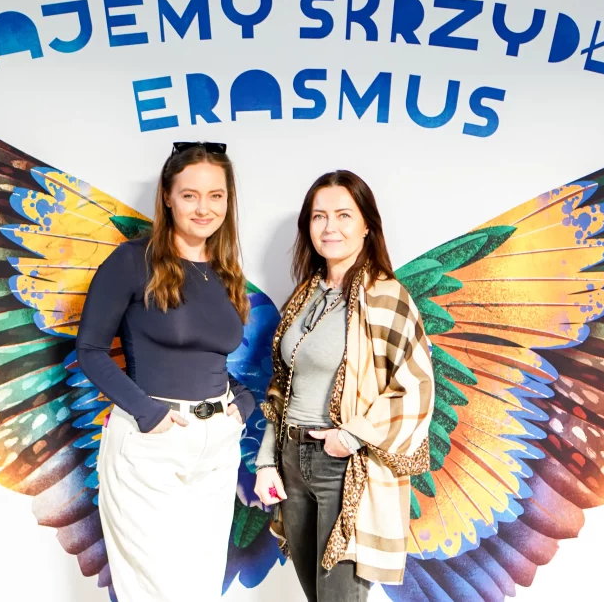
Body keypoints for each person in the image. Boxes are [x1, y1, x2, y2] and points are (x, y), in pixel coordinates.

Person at [76, 141, 255, 601]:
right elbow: (91, 350)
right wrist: (147, 413)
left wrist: (242, 399)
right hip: (151, 445)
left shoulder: (225, 271)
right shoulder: (131, 262)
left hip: (217, 447)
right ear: (168, 197)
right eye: (190, 195)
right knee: (157, 592)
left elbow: (210, 357)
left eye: (216, 195)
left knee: (200, 590)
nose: (204, 208)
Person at [253, 170, 435, 601]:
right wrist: (265, 461)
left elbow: (416, 385)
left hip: (343, 466)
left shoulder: (385, 297)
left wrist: (350, 437)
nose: (329, 227)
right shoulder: (306, 295)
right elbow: (283, 387)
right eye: (319, 216)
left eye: (343, 215)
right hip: (291, 461)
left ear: (366, 224)